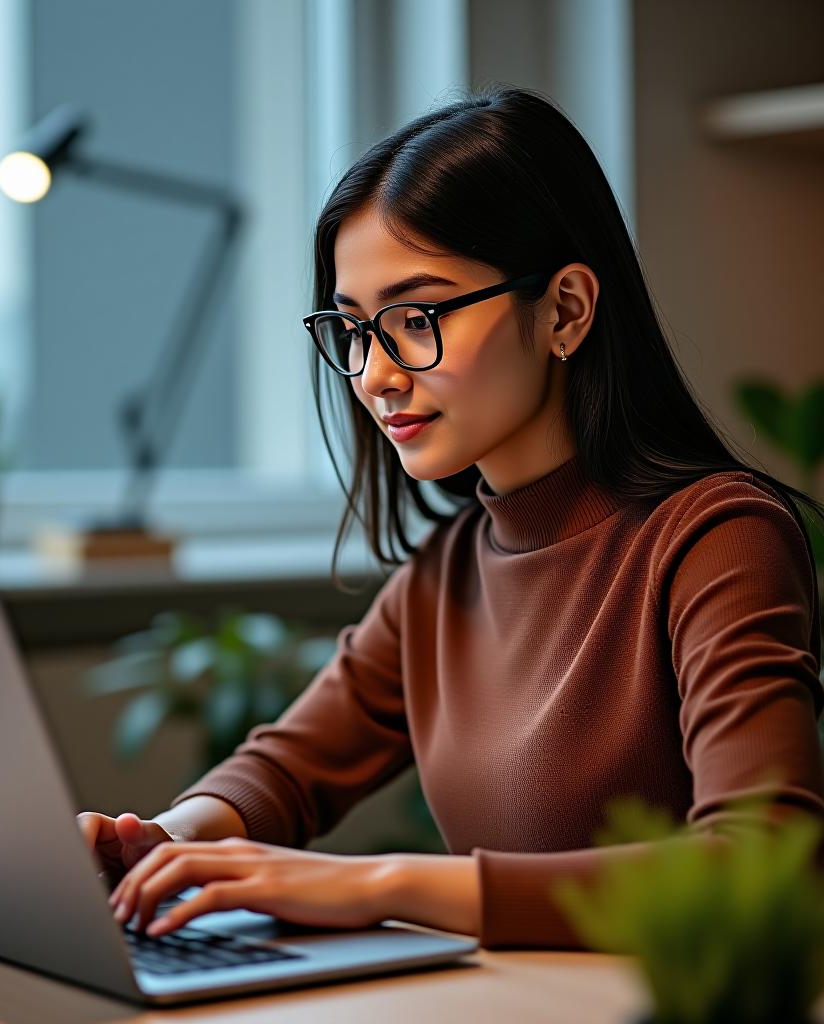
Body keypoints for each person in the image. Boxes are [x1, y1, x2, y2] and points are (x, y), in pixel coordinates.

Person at [77, 82, 824, 948]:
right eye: (355, 330)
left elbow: (762, 863)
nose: (375, 374)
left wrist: (378, 884)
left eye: (417, 317)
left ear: (566, 311)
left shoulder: (717, 537)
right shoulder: (446, 574)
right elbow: (284, 768)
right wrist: (160, 842)